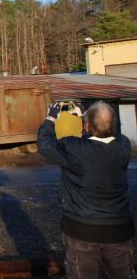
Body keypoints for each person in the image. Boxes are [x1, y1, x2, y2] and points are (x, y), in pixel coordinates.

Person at [38, 101, 134, 278]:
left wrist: (51, 118)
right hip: (119, 229)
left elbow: (45, 144)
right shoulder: (124, 146)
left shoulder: (72, 147)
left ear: (88, 125)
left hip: (81, 230)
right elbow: (97, 140)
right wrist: (85, 116)